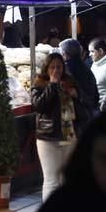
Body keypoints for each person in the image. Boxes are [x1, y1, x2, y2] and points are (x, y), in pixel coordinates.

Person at [32, 52, 87, 201]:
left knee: (66, 179)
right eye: (52, 67)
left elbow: (85, 104)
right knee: (51, 180)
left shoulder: (70, 82)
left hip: (69, 135)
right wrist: (52, 84)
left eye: (59, 66)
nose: (56, 70)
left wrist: (77, 95)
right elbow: (39, 106)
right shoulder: (40, 84)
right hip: (48, 137)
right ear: (46, 69)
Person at [60, 38, 99, 120]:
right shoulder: (84, 66)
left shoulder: (68, 69)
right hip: (89, 111)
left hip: (78, 113)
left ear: (66, 54)